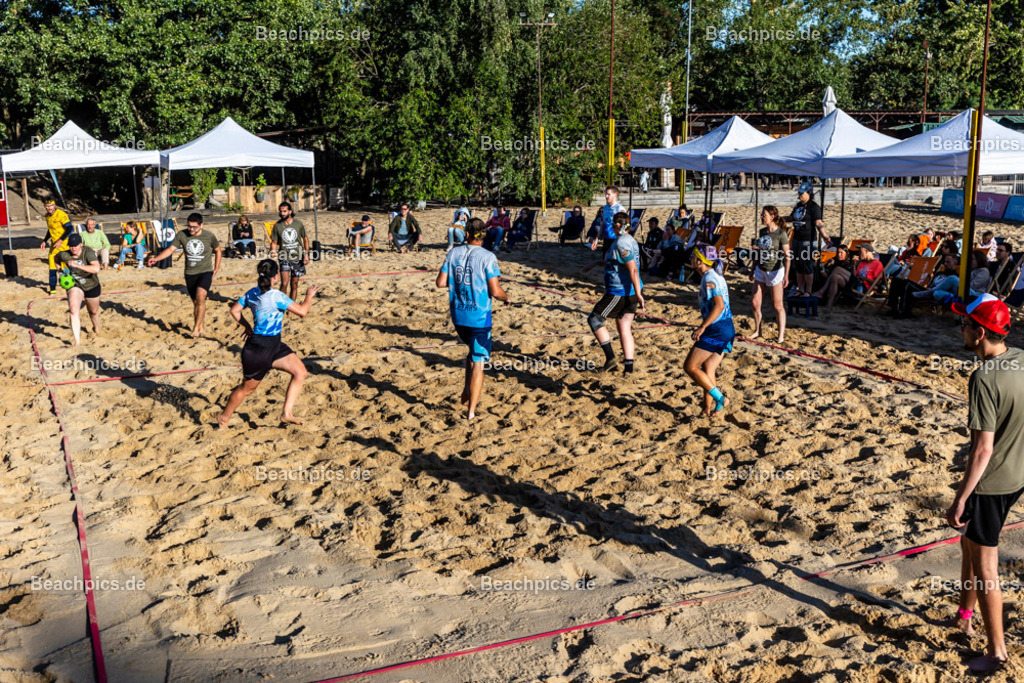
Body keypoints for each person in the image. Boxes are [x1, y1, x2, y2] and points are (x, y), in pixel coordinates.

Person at [945, 293, 1021, 673]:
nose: (960, 329)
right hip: (1020, 472)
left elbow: (982, 451)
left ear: (980, 332)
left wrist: (962, 497)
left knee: (986, 564)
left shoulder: (983, 378)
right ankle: (964, 613)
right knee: (969, 545)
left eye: (964, 324)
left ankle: (997, 652)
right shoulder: (1021, 358)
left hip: (994, 482)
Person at [218, 260, 318, 429]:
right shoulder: (276, 296)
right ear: (275, 277)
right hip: (258, 350)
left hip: (274, 345)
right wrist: (309, 296)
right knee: (246, 389)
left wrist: (246, 326)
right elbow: (302, 312)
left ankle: (287, 413)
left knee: (300, 372)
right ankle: (224, 418)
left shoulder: (252, 293)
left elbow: (234, 310)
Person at [435, 218, 510, 421]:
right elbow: (495, 290)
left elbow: (440, 283)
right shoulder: (488, 257)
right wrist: (506, 297)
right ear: (483, 235)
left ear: (466, 234)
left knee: (472, 352)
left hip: (458, 316)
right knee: (479, 361)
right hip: (479, 317)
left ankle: (467, 389)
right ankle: (471, 412)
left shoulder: (453, 253)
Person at [587, 211, 645, 373]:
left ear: (618, 226)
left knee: (594, 320)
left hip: (620, 292)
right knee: (624, 327)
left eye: (612, 224)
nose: (611, 227)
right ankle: (629, 368)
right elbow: (617, 263)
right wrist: (596, 264)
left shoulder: (622, 243)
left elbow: (633, 269)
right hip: (629, 290)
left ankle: (610, 358)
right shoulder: (627, 240)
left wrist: (639, 295)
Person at [147, 212, 222, 338]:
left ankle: (196, 329)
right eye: (189, 226)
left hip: (205, 271)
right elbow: (171, 249)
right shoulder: (182, 234)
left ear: (201, 225)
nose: (191, 229)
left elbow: (218, 250)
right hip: (190, 273)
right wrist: (157, 259)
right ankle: (200, 325)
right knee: (195, 302)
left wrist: (216, 267)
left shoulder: (209, 236)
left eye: (194, 227)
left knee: (200, 297)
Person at [684, 244, 734, 417]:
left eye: (693, 256)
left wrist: (702, 327)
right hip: (727, 327)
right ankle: (706, 409)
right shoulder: (714, 275)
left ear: (699, 261)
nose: (690, 258)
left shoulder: (709, 278)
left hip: (717, 328)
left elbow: (719, 306)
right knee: (708, 369)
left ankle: (721, 398)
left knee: (690, 366)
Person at [749, 206, 789, 342]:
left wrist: (786, 276)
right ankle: (757, 331)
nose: (761, 216)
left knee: (777, 305)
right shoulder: (762, 232)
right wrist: (752, 269)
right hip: (761, 269)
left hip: (775, 271)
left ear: (772, 217)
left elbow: (787, 256)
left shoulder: (780, 234)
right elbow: (758, 252)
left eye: (763, 214)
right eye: (761, 214)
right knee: (755, 303)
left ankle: (780, 335)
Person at [55, 233, 101, 346]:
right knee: (73, 309)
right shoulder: (65, 254)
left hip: (91, 285)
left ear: (81, 244)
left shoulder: (88, 252)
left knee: (93, 312)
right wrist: (60, 270)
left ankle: (97, 328)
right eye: (71, 245)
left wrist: (77, 265)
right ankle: (77, 342)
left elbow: (96, 269)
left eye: (75, 245)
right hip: (75, 285)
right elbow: (55, 257)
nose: (73, 248)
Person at [787, 183, 831, 297]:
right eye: (799, 192)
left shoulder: (814, 207)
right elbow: (792, 217)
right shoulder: (798, 205)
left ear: (809, 193)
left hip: (808, 240)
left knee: (807, 265)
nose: (800, 195)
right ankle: (800, 289)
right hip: (796, 239)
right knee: (798, 265)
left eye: (802, 193)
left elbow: (818, 223)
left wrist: (825, 236)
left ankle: (808, 290)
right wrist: (779, 219)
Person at [914, 251, 992, 304]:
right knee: (937, 293)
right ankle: (955, 300)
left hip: (975, 297)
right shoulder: (973, 270)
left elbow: (972, 286)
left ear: (979, 260)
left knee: (952, 278)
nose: (970, 261)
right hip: (965, 293)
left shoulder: (984, 271)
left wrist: (957, 284)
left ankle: (928, 292)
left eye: (972, 259)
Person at [270, 202, 309, 300]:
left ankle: (291, 307)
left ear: (290, 211)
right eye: (280, 211)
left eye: (284, 211)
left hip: (298, 256)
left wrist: (306, 254)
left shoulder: (298, 224)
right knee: (284, 283)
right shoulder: (277, 226)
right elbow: (274, 242)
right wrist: (273, 251)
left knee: (294, 284)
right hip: (284, 256)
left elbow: (305, 239)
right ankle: (282, 304)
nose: (282, 213)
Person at [40, 200, 73, 294]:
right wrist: (44, 240)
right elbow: (50, 230)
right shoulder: (47, 216)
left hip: (65, 246)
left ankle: (71, 288)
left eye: (50, 206)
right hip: (53, 246)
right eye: (46, 206)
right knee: (52, 269)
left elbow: (70, 229)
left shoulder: (61, 214)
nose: (49, 208)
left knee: (67, 269)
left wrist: (61, 240)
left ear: (54, 205)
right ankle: (52, 290)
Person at [588, 186, 625, 254]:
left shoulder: (619, 208)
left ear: (615, 195)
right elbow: (603, 223)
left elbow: (625, 224)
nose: (606, 196)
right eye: (606, 194)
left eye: (608, 194)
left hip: (616, 239)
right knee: (605, 260)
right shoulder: (605, 208)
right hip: (607, 238)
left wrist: (621, 239)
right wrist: (596, 239)